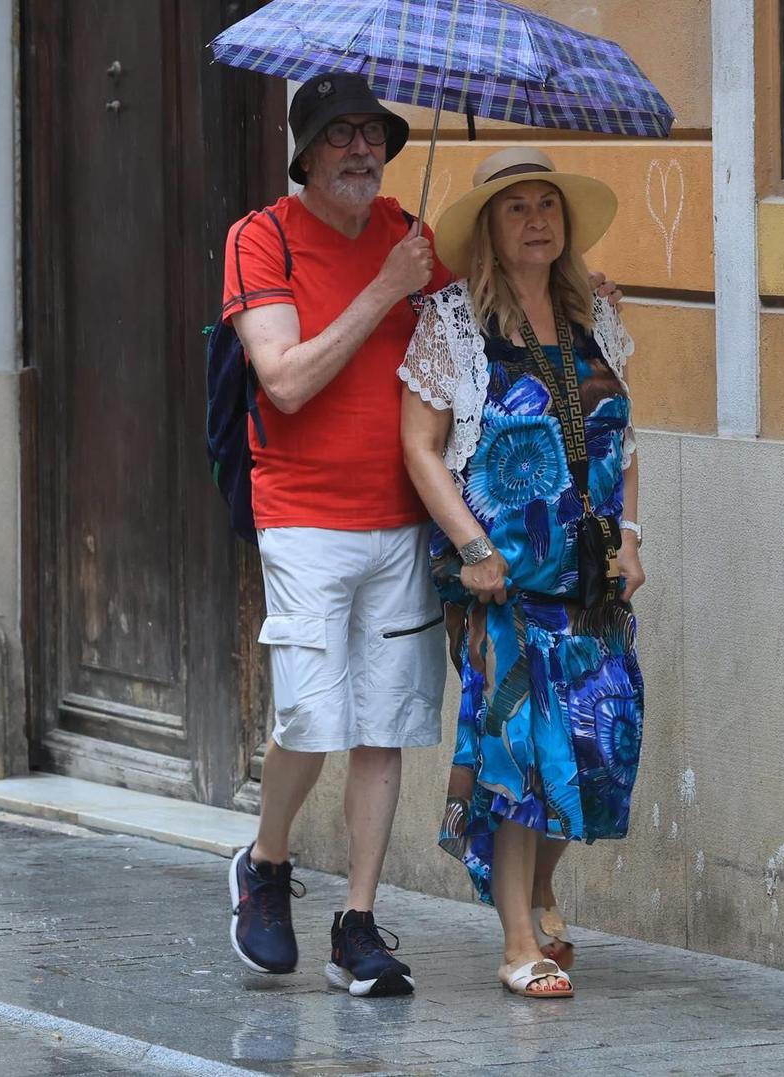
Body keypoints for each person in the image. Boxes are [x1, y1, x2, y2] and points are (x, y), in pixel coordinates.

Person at [219, 71, 452, 997]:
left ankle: (358, 921)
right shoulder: (261, 237)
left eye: (373, 134)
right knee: (313, 715)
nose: (362, 148)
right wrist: (384, 291)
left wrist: (577, 299)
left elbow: (483, 332)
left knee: (385, 723)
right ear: (306, 152)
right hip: (303, 516)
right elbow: (284, 379)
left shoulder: (412, 236)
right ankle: (266, 862)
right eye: (340, 134)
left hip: (402, 519)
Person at [397, 147, 645, 999]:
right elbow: (421, 449)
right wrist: (473, 547)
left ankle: (539, 885)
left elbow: (624, 436)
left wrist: (633, 537)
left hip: (590, 581)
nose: (537, 219)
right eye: (516, 207)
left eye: (549, 205)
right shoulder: (455, 325)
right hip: (498, 582)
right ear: (489, 231)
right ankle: (515, 943)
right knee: (516, 761)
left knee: (598, 744)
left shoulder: (595, 316)